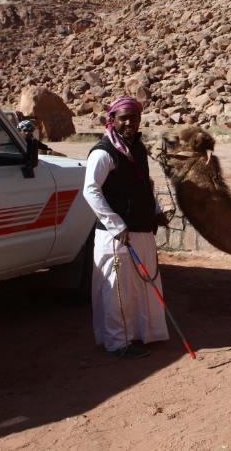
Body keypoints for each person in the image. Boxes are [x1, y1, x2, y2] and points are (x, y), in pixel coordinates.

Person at [83, 96, 169, 358]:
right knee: (117, 290)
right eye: (124, 118)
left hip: (141, 230)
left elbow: (144, 185)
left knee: (141, 286)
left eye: (134, 117)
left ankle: (141, 334)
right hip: (117, 235)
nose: (130, 123)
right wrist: (115, 224)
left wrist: (155, 212)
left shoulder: (137, 148)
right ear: (112, 120)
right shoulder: (103, 152)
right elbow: (91, 191)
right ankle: (117, 343)